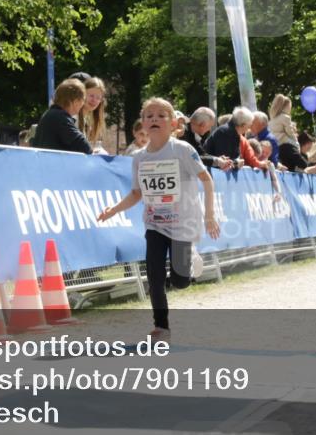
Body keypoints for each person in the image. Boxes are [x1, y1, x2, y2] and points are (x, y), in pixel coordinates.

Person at [98, 97, 220, 340]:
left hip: (183, 223)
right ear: (142, 123)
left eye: (161, 115)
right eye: (149, 115)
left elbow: (207, 180)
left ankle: (190, 258)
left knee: (180, 281)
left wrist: (210, 215)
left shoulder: (182, 150)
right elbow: (136, 193)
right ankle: (161, 327)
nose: (154, 119)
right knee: (153, 274)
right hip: (154, 223)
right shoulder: (139, 158)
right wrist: (114, 209)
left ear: (173, 123)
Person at [31, 78, 92, 154]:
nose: (83, 104)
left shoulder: (50, 114)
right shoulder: (61, 118)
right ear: (76, 101)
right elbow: (84, 147)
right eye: (83, 100)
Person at [79, 76, 107, 153]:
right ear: (83, 94)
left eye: (98, 98)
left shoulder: (87, 120)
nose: (94, 100)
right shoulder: (74, 117)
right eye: (91, 96)